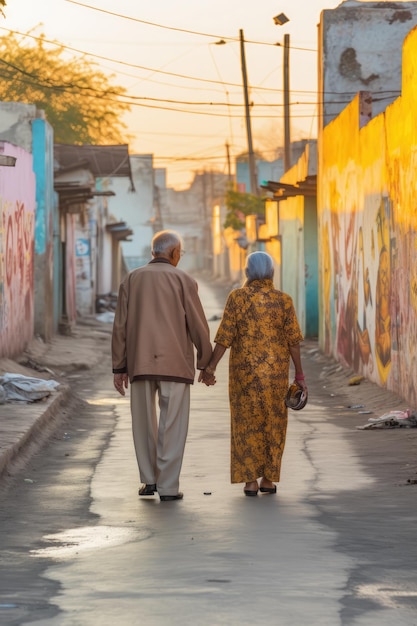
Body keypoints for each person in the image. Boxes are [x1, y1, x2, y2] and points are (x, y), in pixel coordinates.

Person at [112, 230, 213, 502]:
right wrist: (207, 363)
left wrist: (118, 367)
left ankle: (149, 481)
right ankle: (167, 487)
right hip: (176, 365)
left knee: (143, 423)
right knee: (172, 426)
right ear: (175, 253)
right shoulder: (184, 280)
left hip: (140, 363)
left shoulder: (132, 279)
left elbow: (120, 326)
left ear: (153, 251)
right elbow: (198, 325)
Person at [199, 251, 307, 497]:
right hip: (275, 378)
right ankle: (268, 479)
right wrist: (299, 376)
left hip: (243, 378)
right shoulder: (284, 301)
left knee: (245, 425)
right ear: (271, 273)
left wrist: (210, 367)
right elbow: (293, 342)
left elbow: (224, 337)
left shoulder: (237, 298)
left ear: (247, 273)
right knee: (274, 425)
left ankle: (250, 482)